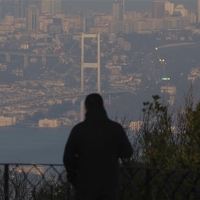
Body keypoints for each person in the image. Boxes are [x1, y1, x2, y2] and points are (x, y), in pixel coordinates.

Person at [63, 93, 133, 200]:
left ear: (86, 109)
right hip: (110, 185)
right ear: (103, 107)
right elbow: (128, 152)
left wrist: (74, 179)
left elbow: (68, 158)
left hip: (85, 187)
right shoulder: (115, 129)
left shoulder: (79, 130)